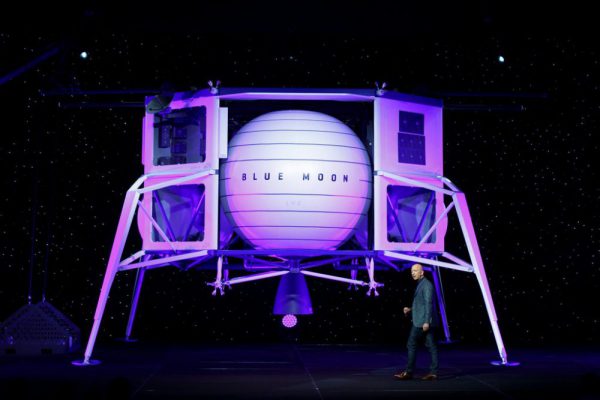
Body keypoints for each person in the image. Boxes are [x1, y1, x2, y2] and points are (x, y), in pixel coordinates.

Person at [394, 263, 439, 381]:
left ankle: (409, 372)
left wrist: (426, 322)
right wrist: (410, 309)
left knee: (411, 343)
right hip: (423, 320)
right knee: (431, 345)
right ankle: (433, 372)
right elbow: (422, 304)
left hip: (422, 321)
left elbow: (428, 304)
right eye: (412, 271)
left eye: (415, 270)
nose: (413, 273)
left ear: (422, 272)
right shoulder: (421, 284)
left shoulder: (427, 285)